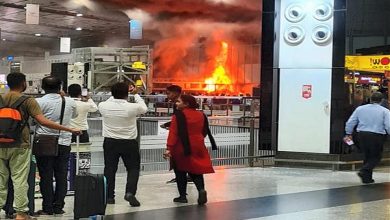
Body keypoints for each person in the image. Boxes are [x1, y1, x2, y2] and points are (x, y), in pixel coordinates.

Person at [0, 72, 80, 220]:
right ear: (24, 83)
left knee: (2, 179)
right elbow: (43, 121)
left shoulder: (2, 98)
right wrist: (69, 129)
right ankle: (22, 213)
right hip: (21, 144)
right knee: (20, 179)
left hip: (3, 144)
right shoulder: (28, 101)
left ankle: (10, 207)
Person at [34, 76, 78, 216]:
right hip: (64, 142)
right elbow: (74, 115)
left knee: (45, 176)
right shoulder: (70, 102)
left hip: (45, 142)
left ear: (43, 87)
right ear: (60, 87)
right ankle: (59, 206)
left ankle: (48, 207)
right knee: (61, 175)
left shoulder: (38, 102)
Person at [98, 82, 148, 206]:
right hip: (129, 142)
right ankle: (130, 192)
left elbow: (112, 99)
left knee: (109, 169)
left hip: (110, 142)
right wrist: (136, 94)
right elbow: (144, 108)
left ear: (112, 93)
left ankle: (109, 197)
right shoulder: (132, 107)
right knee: (133, 169)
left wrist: (115, 94)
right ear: (127, 94)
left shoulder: (103, 105)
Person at [163, 95, 214, 205]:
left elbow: (174, 133)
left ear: (186, 104)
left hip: (181, 146)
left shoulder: (178, 116)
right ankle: (201, 189)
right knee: (196, 169)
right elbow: (205, 130)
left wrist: (168, 148)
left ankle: (182, 196)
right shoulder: (201, 115)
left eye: (178, 101)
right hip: (198, 144)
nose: (176, 103)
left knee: (180, 170)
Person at [345, 92, 390, 184]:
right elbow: (388, 125)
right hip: (377, 135)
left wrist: (348, 133)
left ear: (370, 99)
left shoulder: (360, 109)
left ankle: (367, 178)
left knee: (367, 156)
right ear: (381, 101)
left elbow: (350, 122)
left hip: (362, 135)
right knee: (376, 156)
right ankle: (364, 170)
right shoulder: (385, 111)